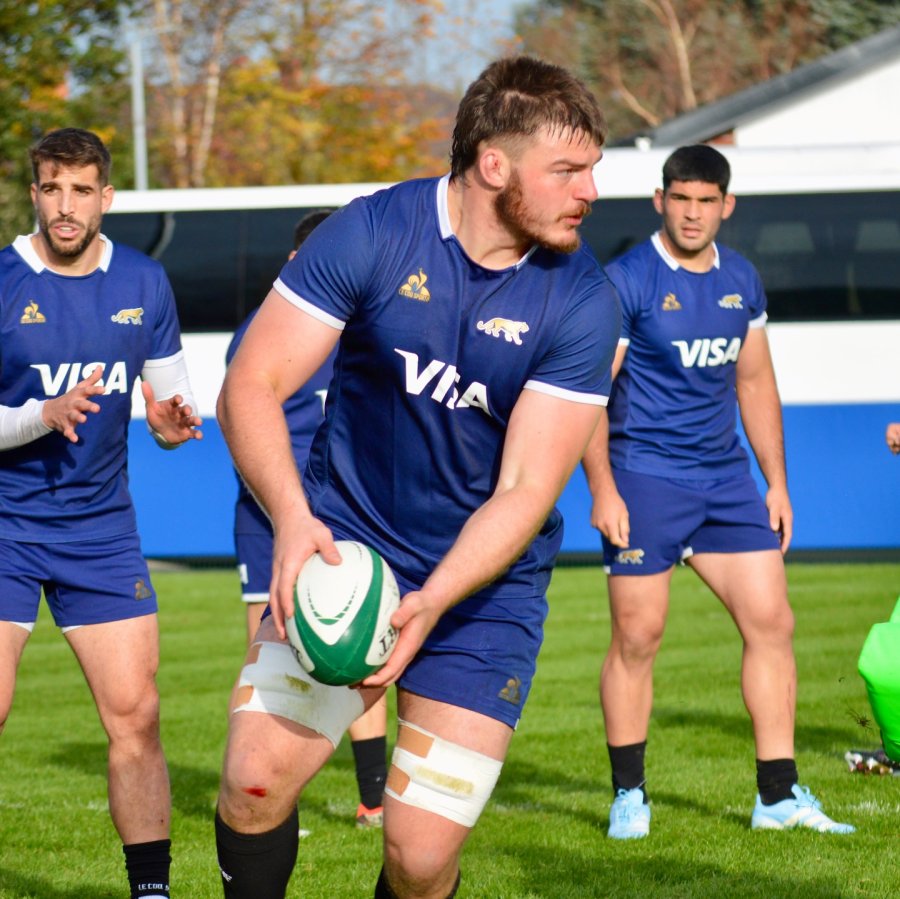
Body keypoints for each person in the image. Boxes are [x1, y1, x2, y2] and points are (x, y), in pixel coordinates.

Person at [214, 55, 620, 899]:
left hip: (481, 592)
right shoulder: (372, 232)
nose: (591, 189)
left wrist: (431, 602)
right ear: (494, 165)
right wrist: (290, 517)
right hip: (347, 550)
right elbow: (249, 386)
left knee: (421, 856)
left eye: (593, 169)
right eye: (569, 171)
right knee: (253, 783)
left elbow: (524, 491)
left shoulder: (584, 300)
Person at [582, 144, 855, 839]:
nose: (694, 212)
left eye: (707, 201)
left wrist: (778, 483)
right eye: (682, 199)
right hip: (644, 476)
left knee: (773, 623)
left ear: (726, 206)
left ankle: (777, 795)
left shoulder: (742, 279)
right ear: (660, 201)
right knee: (638, 636)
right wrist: (604, 490)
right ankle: (629, 795)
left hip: (727, 481)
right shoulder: (627, 280)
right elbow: (590, 396)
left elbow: (755, 382)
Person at [0, 128, 202, 899]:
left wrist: (172, 425)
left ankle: (151, 891)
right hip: (6, 525)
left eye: (81, 190)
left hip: (101, 533)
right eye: (52, 188)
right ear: (35, 194)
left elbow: (169, 400)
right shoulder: (3, 282)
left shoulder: (145, 283)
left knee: (136, 720)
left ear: (105, 197)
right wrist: (39, 415)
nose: (65, 205)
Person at [227, 209, 388, 828]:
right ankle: (269, 797)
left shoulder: (373, 335)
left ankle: (373, 797)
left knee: (359, 648)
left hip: (349, 520)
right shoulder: (262, 334)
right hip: (268, 519)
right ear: (297, 265)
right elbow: (245, 421)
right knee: (267, 663)